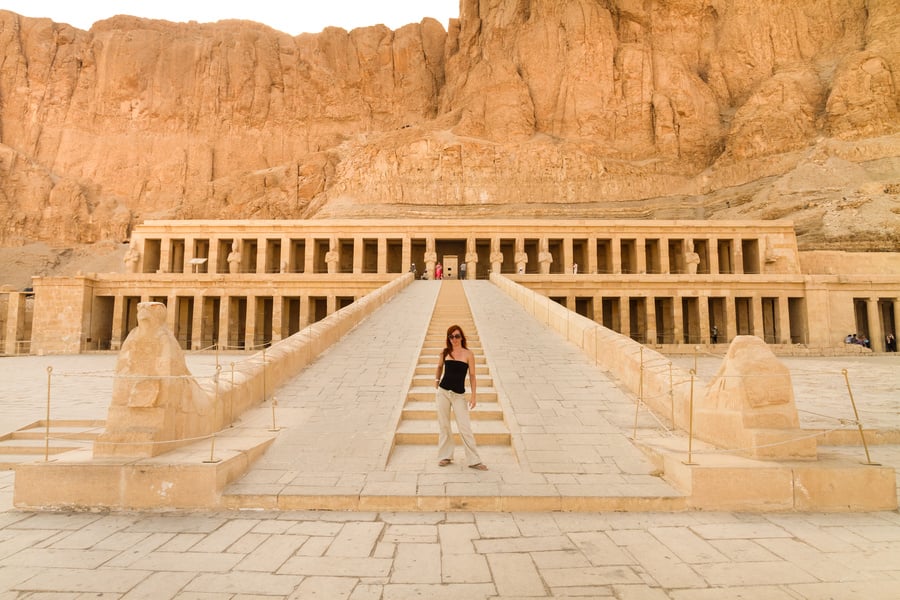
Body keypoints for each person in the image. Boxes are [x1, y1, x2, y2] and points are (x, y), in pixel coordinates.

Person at [435, 324, 487, 471]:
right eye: (451, 336)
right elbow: (439, 367)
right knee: (444, 425)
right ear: (448, 338)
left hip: (459, 395)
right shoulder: (445, 352)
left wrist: (474, 395)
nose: (454, 339)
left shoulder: (468, 354)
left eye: (457, 336)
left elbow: (472, 376)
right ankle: (445, 456)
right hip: (443, 393)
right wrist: (436, 381)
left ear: (462, 337)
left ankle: (474, 460)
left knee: (464, 427)